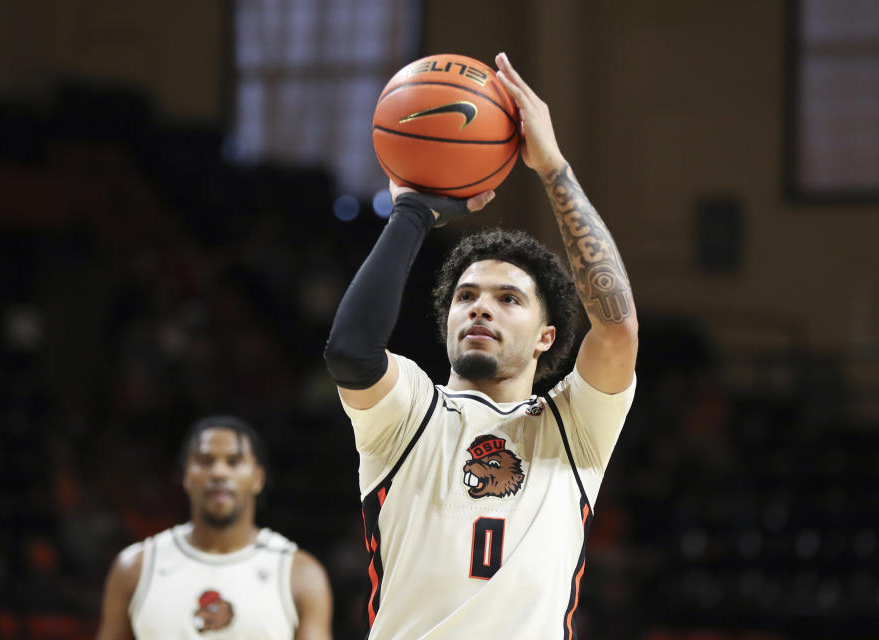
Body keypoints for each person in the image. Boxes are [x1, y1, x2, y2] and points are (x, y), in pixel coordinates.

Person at [323, 52, 638, 639]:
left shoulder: (573, 427)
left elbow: (616, 327)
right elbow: (350, 352)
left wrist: (554, 170)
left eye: (509, 299)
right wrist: (412, 212)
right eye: (466, 296)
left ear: (548, 337)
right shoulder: (411, 412)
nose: (481, 307)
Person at [96, 415, 333, 639]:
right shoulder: (134, 567)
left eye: (234, 461)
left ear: (258, 478)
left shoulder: (300, 573)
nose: (218, 472)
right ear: (185, 477)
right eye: (205, 461)